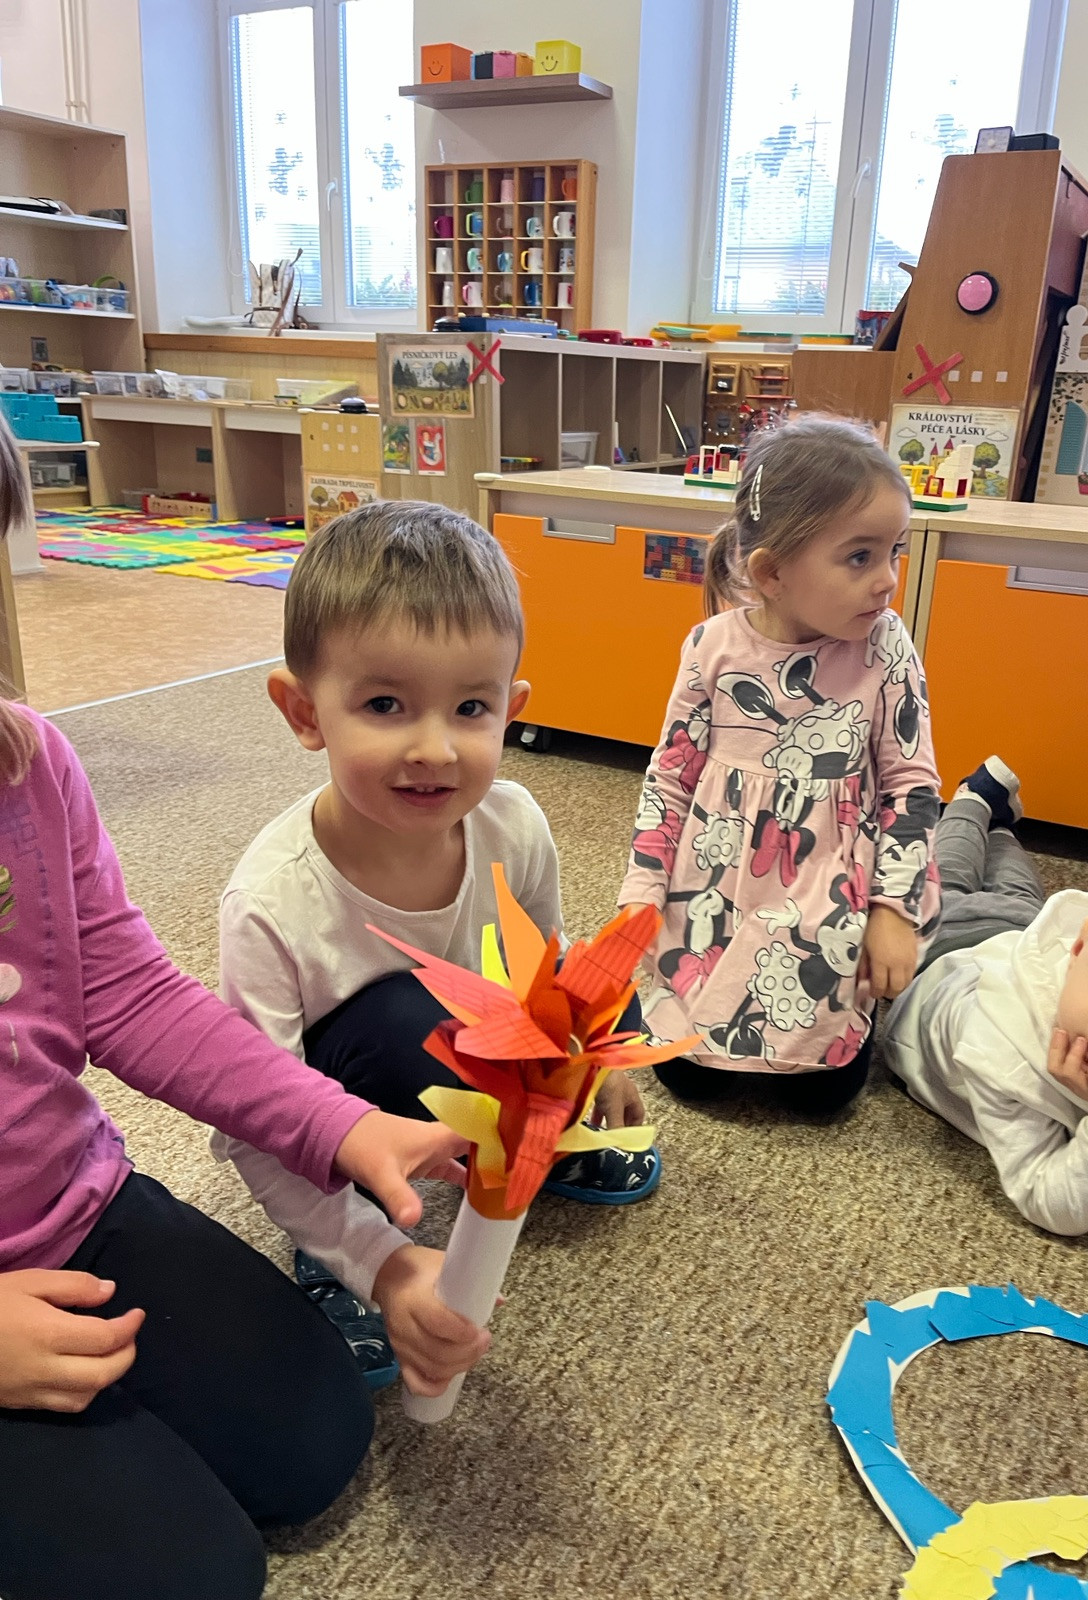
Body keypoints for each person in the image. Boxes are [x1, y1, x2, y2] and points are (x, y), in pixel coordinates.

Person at [0, 416, 486, 1600]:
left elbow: (124, 990)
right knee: (194, 1573)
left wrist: (340, 1124)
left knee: (315, 1439)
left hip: (70, 1208)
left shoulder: (29, 765)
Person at [216, 502, 661, 1379]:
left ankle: (524, 1147)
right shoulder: (269, 903)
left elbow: (552, 972)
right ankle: (340, 1233)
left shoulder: (516, 825)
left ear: (512, 710)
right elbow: (253, 1121)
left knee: (591, 986)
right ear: (304, 712)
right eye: (385, 704)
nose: (435, 748)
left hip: (483, 1046)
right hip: (342, 1097)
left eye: (470, 707)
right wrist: (363, 1253)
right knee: (405, 1021)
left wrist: (596, 1067)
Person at [618, 416, 941, 1112]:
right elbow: (669, 779)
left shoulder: (885, 646)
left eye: (895, 552)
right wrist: (641, 893)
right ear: (771, 572)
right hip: (717, 891)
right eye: (860, 557)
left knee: (825, 1098)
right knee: (690, 1078)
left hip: (830, 893)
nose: (888, 580)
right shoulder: (710, 647)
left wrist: (894, 909)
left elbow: (911, 785)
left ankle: (981, 813)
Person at [880, 757, 1088, 1333]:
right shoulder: (1002, 1048)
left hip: (1019, 936)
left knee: (1015, 889)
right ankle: (972, 802)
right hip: (943, 960)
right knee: (947, 877)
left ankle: (1000, 825)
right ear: (1079, 947)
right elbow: (1049, 1200)